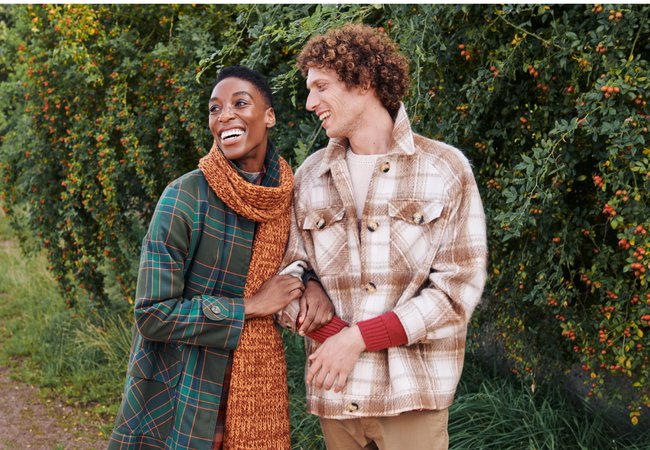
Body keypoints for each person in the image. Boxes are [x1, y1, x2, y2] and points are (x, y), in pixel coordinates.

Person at [278, 24, 488, 450]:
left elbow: (456, 292)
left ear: (364, 80)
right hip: (336, 396)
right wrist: (308, 286)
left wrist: (355, 339)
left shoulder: (444, 169)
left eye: (321, 86)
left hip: (410, 401)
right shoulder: (309, 176)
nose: (309, 102)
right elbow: (286, 270)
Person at [109, 65, 323, 450]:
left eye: (240, 103)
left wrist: (311, 284)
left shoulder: (286, 196)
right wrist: (248, 307)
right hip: (183, 398)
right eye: (214, 108)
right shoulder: (185, 197)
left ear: (269, 115)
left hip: (257, 394)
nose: (224, 116)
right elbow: (152, 313)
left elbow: (302, 259)